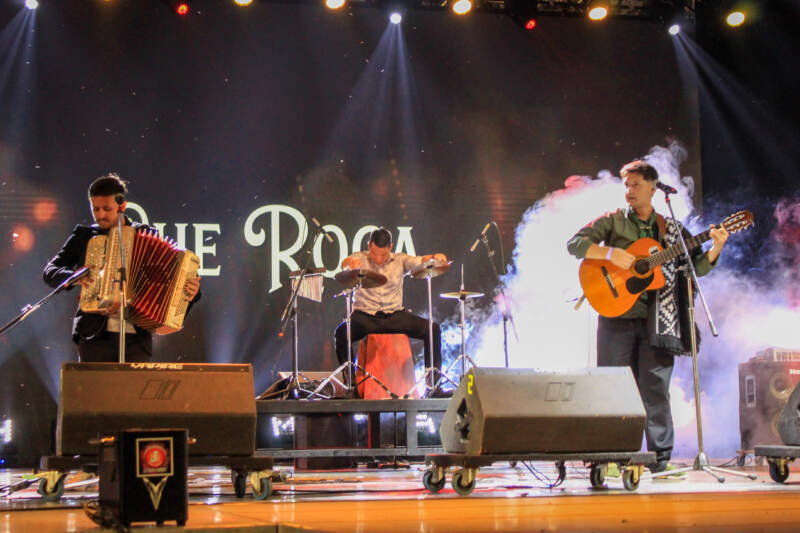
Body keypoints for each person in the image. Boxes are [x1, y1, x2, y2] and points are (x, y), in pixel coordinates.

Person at [567, 160, 729, 474]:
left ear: (653, 188)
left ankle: (659, 460)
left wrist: (714, 248)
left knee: (655, 389)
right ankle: (612, 456)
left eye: (636, 185)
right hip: (615, 317)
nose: (629, 191)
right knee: (614, 388)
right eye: (626, 185)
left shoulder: (671, 229)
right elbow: (575, 244)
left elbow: (693, 268)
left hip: (657, 321)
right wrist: (612, 254)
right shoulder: (614, 222)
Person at [43, 173, 201, 363]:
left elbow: (169, 280)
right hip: (95, 336)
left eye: (106, 209)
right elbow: (50, 272)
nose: (100, 214)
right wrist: (72, 276)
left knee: (133, 392)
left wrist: (191, 292)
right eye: (96, 209)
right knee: (96, 391)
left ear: (122, 206)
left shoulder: (145, 233)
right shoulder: (84, 236)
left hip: (137, 336)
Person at [333, 228, 448, 395]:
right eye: (375, 254)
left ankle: (433, 386)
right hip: (366, 317)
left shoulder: (400, 259)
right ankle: (351, 386)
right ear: (369, 246)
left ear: (390, 247)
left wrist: (434, 257)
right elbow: (346, 262)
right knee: (341, 333)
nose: (379, 259)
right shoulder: (360, 257)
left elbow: (419, 260)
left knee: (432, 329)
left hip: (394, 316)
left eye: (383, 255)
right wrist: (350, 264)